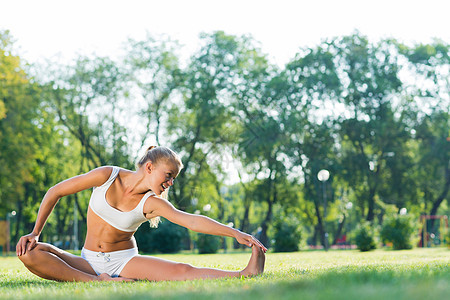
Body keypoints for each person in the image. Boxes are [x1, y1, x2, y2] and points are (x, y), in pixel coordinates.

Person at [16, 146, 266, 282]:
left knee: (182, 271)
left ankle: (245, 273)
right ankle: (98, 282)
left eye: (173, 179)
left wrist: (235, 233)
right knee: (29, 253)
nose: (170, 183)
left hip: (124, 262)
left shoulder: (151, 203)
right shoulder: (107, 176)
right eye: (168, 176)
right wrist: (35, 232)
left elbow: (189, 220)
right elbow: (55, 191)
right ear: (149, 167)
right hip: (88, 260)